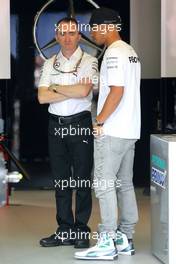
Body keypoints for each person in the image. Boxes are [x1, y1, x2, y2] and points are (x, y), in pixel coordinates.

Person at [75, 7, 141, 260]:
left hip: (112, 130)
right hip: (129, 130)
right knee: (123, 184)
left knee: (103, 185)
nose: (92, 33)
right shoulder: (130, 52)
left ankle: (107, 240)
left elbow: (116, 91)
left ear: (106, 27)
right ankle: (125, 238)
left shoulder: (113, 53)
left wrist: (99, 120)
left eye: (94, 28)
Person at [38, 17, 98, 249]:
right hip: (56, 124)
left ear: (79, 36)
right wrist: (69, 91)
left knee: (82, 179)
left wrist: (54, 87)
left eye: (72, 33)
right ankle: (64, 229)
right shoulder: (49, 63)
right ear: (56, 36)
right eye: (62, 33)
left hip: (80, 123)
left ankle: (81, 230)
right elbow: (42, 97)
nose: (67, 37)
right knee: (61, 181)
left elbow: (84, 91)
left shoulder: (89, 61)